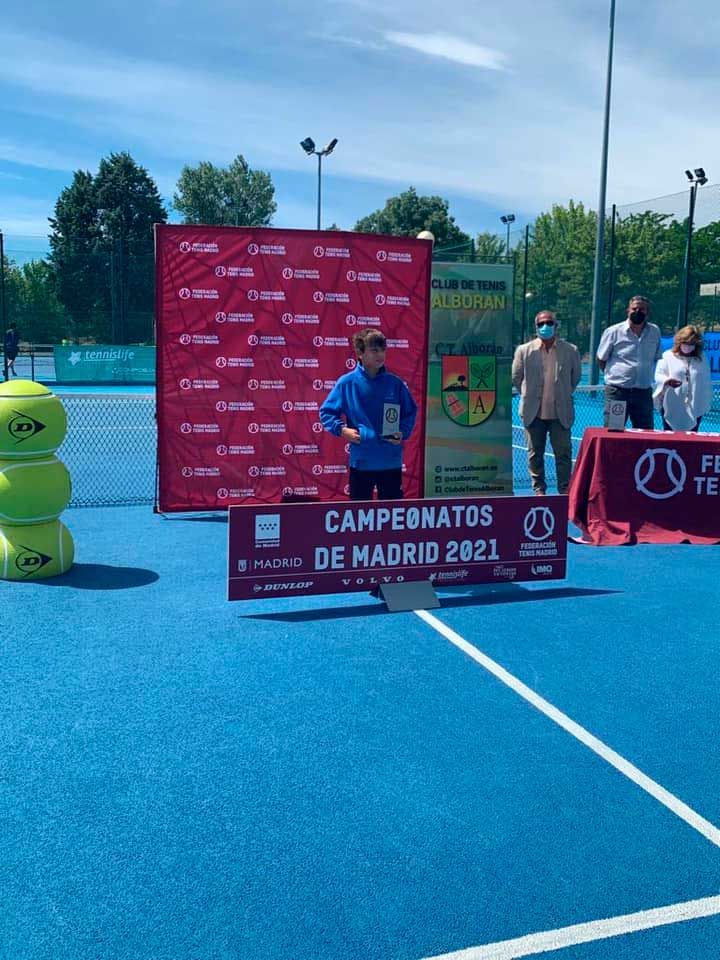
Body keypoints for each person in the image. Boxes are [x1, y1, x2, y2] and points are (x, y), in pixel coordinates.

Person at [319, 327, 417, 500]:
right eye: (374, 350)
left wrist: (402, 431)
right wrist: (342, 430)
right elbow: (326, 412)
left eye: (382, 350)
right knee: (359, 517)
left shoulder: (395, 383)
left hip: (390, 461)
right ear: (360, 353)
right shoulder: (347, 383)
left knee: (392, 515)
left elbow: (410, 412)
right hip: (362, 461)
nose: (380, 354)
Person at [511, 310, 581, 495]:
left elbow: (575, 378)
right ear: (536, 327)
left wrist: (561, 393)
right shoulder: (523, 351)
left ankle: (565, 491)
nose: (545, 326)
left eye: (549, 323)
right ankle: (539, 491)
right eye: (541, 323)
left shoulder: (570, 350)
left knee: (564, 455)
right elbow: (516, 378)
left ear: (556, 326)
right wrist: (529, 395)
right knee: (535, 455)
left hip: (561, 413)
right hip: (533, 412)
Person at [596, 295, 662, 429]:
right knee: (614, 431)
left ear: (647, 313)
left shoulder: (654, 331)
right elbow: (601, 359)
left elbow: (657, 357)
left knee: (645, 434)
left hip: (643, 393)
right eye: (634, 308)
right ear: (628, 311)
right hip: (618, 392)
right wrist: (615, 375)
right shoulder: (613, 331)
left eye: (642, 309)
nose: (637, 311)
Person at [653, 325, 712, 431]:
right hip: (671, 404)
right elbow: (658, 375)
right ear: (679, 341)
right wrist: (667, 381)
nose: (688, 346)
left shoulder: (702, 358)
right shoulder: (667, 356)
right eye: (685, 343)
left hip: (695, 406)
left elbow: (705, 382)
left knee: (691, 439)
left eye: (692, 344)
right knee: (670, 438)